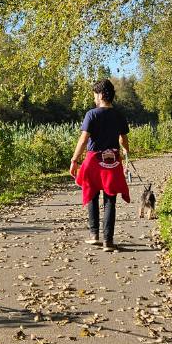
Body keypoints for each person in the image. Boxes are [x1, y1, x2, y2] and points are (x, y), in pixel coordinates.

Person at [70, 79, 130, 251]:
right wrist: (125, 150)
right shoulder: (120, 115)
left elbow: (83, 140)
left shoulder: (92, 114)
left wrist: (74, 160)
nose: (94, 99)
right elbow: (123, 139)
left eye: (95, 95)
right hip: (113, 160)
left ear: (101, 95)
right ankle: (108, 241)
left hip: (94, 161)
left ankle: (94, 235)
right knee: (110, 198)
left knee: (92, 195)